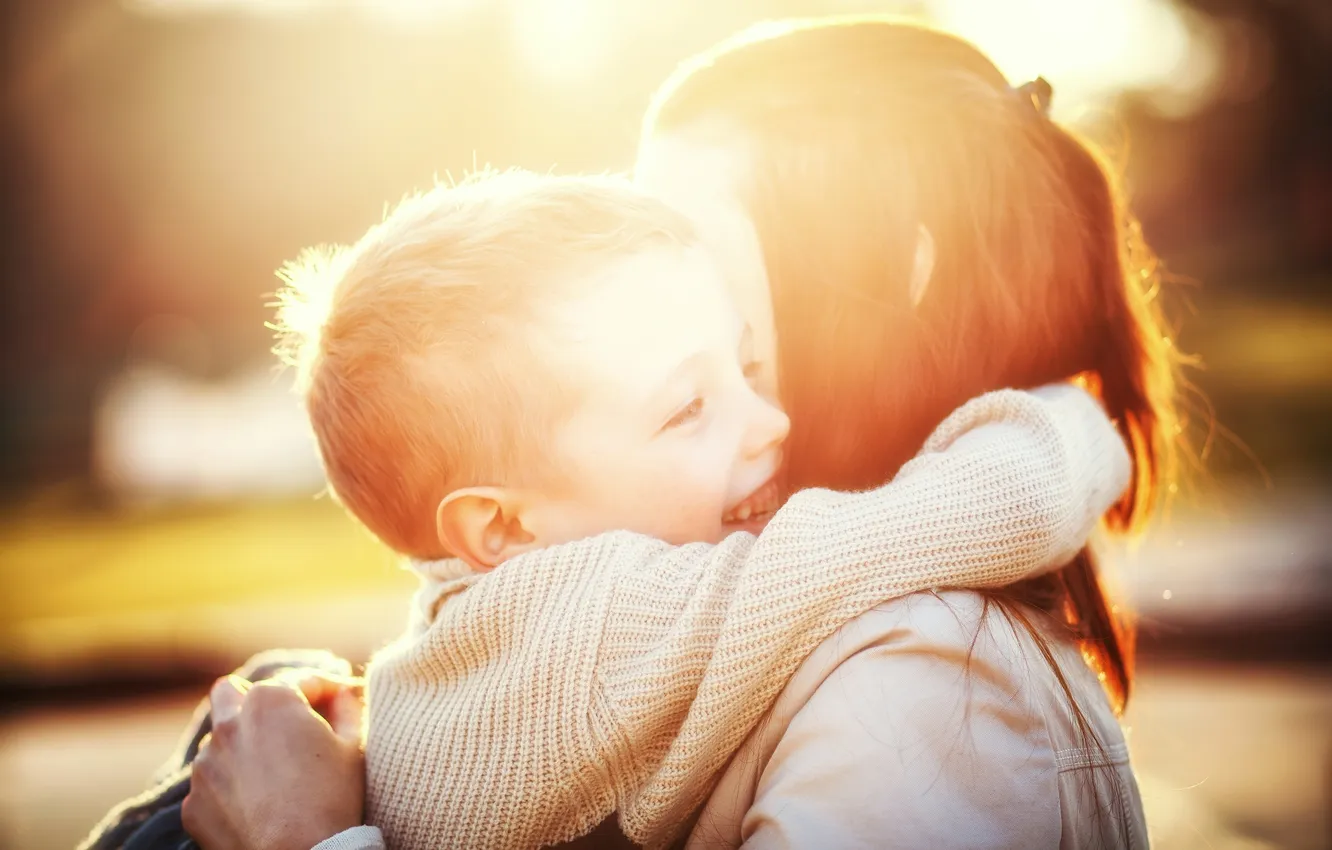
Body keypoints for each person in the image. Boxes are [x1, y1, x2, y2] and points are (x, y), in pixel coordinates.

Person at [184, 16, 1182, 850]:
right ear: (496, 524)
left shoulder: (917, 680)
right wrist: (1074, 419)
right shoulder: (669, 615)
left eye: (685, 233)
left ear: (883, 285)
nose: (660, 277)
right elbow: (1000, 494)